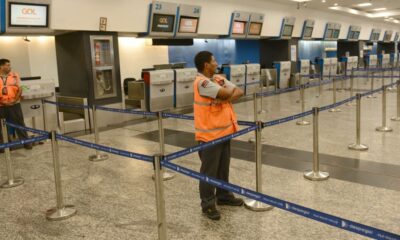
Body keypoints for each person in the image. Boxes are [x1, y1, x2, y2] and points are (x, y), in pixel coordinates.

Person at [193, 51, 244, 220]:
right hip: (210, 136)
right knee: (209, 172)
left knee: (223, 168)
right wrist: (226, 93)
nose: (216, 63)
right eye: (213, 60)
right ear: (206, 65)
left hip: (224, 132)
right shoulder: (202, 83)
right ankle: (207, 204)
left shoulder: (217, 79)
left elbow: (239, 91)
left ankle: (223, 196)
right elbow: (226, 93)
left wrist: (224, 97)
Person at [0, 59, 32, 150]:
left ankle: (26, 143)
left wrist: (14, 100)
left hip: (15, 104)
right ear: (1, 66)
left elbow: (20, 89)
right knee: (1, 126)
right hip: (1, 105)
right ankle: (5, 146)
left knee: (19, 123)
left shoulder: (14, 75)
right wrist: (3, 102)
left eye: (10, 65)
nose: (10, 67)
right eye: (7, 65)